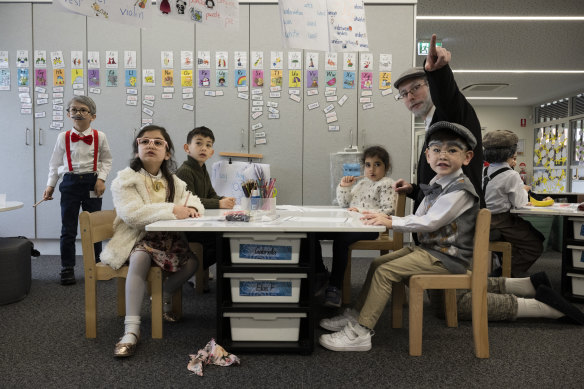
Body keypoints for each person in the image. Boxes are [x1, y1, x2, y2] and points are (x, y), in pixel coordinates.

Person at [319, 123, 584, 352]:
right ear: (427, 155)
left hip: (447, 257)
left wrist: (391, 221)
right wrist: (376, 215)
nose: (442, 155)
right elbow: (421, 213)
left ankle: (362, 332)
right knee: (378, 264)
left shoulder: (460, 189)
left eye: (452, 150)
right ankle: (358, 314)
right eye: (436, 149)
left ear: (467, 157)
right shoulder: (436, 184)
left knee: (385, 272)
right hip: (431, 252)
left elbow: (429, 221)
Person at [100, 125, 204, 358]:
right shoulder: (125, 179)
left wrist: (192, 208)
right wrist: (173, 209)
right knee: (139, 259)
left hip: (168, 240)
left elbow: (194, 200)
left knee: (192, 263)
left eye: (158, 142)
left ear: (167, 153)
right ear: (137, 149)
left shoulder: (173, 180)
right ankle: (131, 329)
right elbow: (133, 215)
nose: (151, 145)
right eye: (144, 141)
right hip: (137, 238)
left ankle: (164, 293)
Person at [392, 34, 485, 211]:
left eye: (416, 88)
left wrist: (438, 72)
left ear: (431, 86)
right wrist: (414, 189)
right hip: (438, 227)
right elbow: (440, 181)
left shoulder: (451, 115)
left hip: (458, 226)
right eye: (404, 94)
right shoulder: (429, 125)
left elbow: (447, 97)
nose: (410, 96)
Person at [313, 146, 396, 307]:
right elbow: (344, 204)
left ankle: (335, 286)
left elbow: (388, 210)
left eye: (377, 164)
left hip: (369, 227)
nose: (372, 169)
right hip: (351, 224)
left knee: (341, 240)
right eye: (368, 165)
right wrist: (344, 187)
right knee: (312, 233)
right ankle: (320, 273)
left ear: (386, 167)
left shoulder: (387, 184)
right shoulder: (361, 183)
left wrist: (361, 211)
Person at [43, 96, 112, 285]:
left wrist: (101, 179)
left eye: (83, 110)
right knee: (68, 228)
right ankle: (67, 268)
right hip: (70, 184)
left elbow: (106, 160)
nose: (78, 113)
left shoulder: (100, 136)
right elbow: (55, 163)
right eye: (74, 110)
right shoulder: (63, 137)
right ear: (68, 114)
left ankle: (98, 263)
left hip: (92, 183)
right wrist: (50, 185)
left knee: (94, 227)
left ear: (93, 116)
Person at [176, 126, 235, 291]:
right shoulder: (185, 171)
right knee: (224, 241)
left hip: (198, 223)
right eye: (199, 143)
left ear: (211, 151)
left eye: (208, 145)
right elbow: (190, 201)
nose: (204, 148)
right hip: (187, 227)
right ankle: (194, 270)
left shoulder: (202, 169)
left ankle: (198, 270)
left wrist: (223, 199)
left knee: (226, 238)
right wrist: (218, 204)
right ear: (187, 148)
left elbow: (210, 194)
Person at [482, 130, 544, 276]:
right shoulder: (511, 174)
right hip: (501, 221)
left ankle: (503, 263)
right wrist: (524, 189)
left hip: (481, 220)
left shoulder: (483, 170)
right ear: (511, 153)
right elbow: (520, 203)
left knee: (529, 233)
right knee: (535, 244)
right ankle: (505, 274)